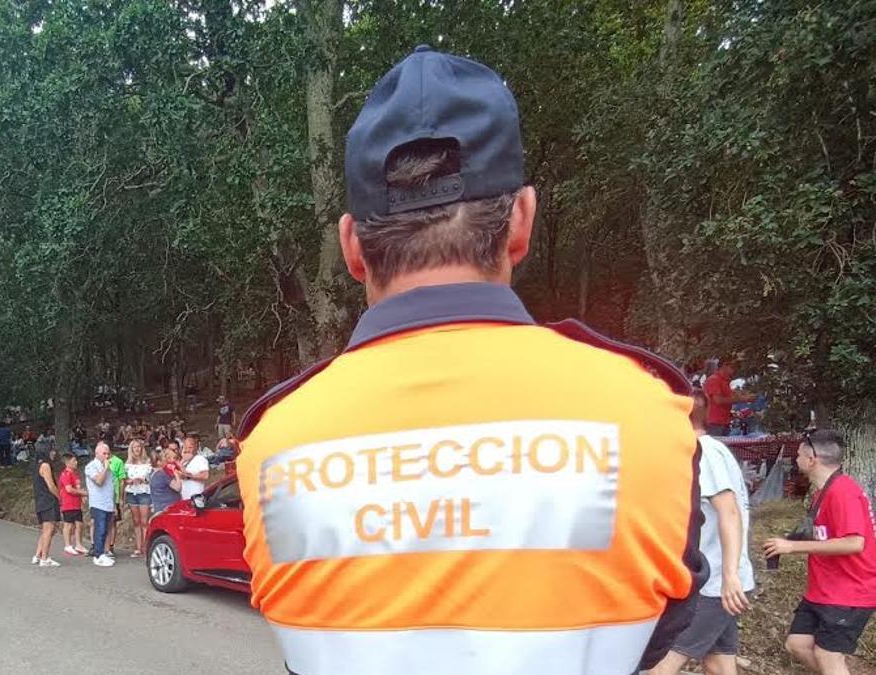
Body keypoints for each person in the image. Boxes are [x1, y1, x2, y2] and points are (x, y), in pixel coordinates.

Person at [235, 45, 704, 675]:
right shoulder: (651, 414)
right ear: (521, 221)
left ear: (352, 246)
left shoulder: (272, 443)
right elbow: (665, 629)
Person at [650, 390, 754, 675]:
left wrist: (729, 576)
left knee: (660, 666)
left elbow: (729, 511)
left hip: (715, 585)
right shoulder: (710, 450)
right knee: (719, 663)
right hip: (720, 582)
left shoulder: (703, 453)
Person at [762, 430, 876, 675]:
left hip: (851, 591)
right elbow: (826, 534)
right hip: (825, 589)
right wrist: (788, 541)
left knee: (827, 654)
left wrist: (793, 547)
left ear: (812, 459)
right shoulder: (822, 493)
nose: (795, 459)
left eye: (799, 454)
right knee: (798, 644)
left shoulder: (843, 492)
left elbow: (854, 543)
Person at [702, 359, 754, 436]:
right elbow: (718, 400)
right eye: (732, 367)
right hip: (714, 423)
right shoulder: (714, 380)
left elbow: (730, 396)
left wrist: (744, 396)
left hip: (724, 422)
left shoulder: (725, 381)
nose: (735, 369)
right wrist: (741, 399)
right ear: (724, 365)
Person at [84, 442, 116, 567]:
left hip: (108, 503)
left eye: (108, 453)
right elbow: (99, 481)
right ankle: (98, 555)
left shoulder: (108, 469)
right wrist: (105, 468)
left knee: (106, 529)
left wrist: (114, 504)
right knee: (100, 529)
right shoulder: (91, 466)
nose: (107, 456)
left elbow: (111, 487)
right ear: (97, 453)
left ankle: (103, 552)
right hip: (98, 503)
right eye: (104, 453)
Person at [31, 446, 61, 567]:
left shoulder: (36, 466)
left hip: (40, 500)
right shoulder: (45, 466)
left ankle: (38, 555)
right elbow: (51, 485)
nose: (53, 453)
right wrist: (60, 497)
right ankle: (45, 557)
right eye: (51, 451)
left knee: (47, 530)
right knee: (49, 529)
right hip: (48, 500)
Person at [123, 440, 153, 557]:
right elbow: (123, 479)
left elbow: (151, 478)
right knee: (136, 521)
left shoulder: (147, 462)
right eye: (134, 447)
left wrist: (142, 480)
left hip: (144, 492)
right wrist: (130, 481)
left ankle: (146, 546)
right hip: (132, 492)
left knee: (144, 521)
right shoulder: (127, 464)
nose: (137, 449)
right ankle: (138, 546)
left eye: (139, 447)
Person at [58, 453, 88, 556]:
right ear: (67, 463)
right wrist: (83, 493)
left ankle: (79, 544)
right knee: (68, 524)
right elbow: (69, 489)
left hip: (77, 504)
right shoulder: (65, 474)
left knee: (79, 524)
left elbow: (78, 487)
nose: (76, 463)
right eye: (74, 461)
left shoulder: (76, 474)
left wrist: (82, 496)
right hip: (68, 503)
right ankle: (68, 545)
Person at [149, 447, 183, 515]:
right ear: (158, 462)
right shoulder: (162, 475)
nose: (166, 459)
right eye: (164, 457)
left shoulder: (152, 473)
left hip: (159, 507)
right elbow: (178, 488)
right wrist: (176, 474)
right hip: (167, 509)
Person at [107, 448, 126, 557]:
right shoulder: (98, 462)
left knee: (112, 522)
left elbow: (122, 480)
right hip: (102, 498)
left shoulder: (118, 462)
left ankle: (111, 545)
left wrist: (122, 497)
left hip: (115, 496)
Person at [177, 434, 209, 499]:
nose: (187, 450)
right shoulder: (183, 461)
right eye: (185, 447)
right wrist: (182, 460)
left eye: (190, 447)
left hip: (196, 498)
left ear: (196, 447)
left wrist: (189, 477)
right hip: (184, 498)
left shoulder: (200, 459)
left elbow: (205, 475)